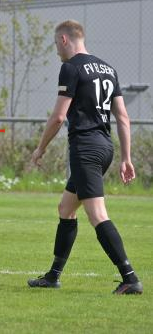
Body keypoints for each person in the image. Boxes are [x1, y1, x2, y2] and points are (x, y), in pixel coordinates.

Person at [28, 20, 142, 295]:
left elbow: (57, 117)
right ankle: (53, 276)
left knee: (97, 215)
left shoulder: (71, 68)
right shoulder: (107, 68)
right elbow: (123, 117)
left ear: (65, 40)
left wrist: (40, 149)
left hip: (85, 148)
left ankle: (130, 278)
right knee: (66, 209)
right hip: (105, 146)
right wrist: (126, 157)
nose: (57, 50)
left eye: (56, 44)